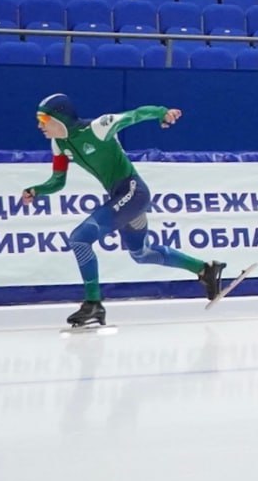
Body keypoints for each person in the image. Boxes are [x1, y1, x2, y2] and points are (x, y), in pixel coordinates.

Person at [21, 93, 227, 328]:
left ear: (59, 119)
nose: (39, 126)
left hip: (133, 192)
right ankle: (205, 269)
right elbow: (58, 181)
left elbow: (134, 115)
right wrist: (37, 190)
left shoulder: (98, 127)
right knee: (141, 254)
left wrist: (162, 112)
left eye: (44, 120)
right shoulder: (58, 144)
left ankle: (93, 303)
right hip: (124, 198)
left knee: (80, 239)